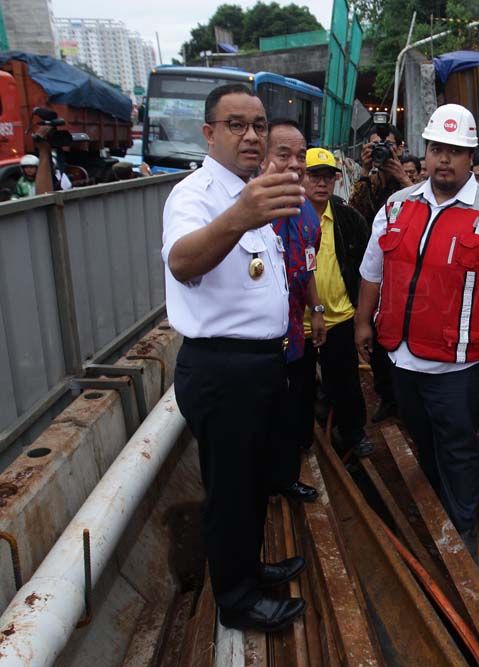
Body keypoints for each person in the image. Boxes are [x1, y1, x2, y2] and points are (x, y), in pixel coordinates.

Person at [354, 103, 479, 550]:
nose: (444, 159)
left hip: (459, 367)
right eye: (436, 148)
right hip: (402, 356)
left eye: (455, 150)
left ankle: (460, 527)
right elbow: (373, 271)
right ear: (424, 152)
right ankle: (437, 500)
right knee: (421, 435)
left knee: (458, 445)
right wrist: (363, 322)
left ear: (470, 156)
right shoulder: (397, 206)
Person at [163, 83, 307, 632]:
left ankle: (249, 569)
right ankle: (236, 600)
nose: (251, 135)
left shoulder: (252, 189)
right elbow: (182, 262)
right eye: (236, 125)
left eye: (258, 125)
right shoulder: (197, 195)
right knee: (228, 490)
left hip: (261, 366)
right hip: (222, 369)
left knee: (252, 483)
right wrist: (238, 217)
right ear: (209, 133)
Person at [296, 146, 375, 458]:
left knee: (345, 383)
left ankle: (354, 434)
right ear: (301, 177)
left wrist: (362, 317)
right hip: (298, 324)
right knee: (299, 388)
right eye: (314, 175)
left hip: (340, 317)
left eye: (328, 176)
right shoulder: (287, 218)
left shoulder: (347, 220)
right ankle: (301, 440)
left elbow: (367, 266)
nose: (321, 183)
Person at [264, 118, 324, 503]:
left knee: (294, 410)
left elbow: (309, 265)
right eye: (283, 153)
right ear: (264, 157)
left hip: (295, 335)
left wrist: (317, 309)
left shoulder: (308, 216)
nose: (294, 163)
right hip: (259, 343)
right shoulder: (251, 209)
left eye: (299, 155)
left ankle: (285, 478)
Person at [350, 124, 412, 423]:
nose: (381, 151)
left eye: (386, 145)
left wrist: (400, 175)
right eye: (374, 146)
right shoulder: (370, 184)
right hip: (373, 273)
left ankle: (408, 401)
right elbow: (354, 213)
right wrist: (365, 172)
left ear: (399, 148)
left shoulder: (410, 183)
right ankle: (387, 397)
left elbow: (422, 206)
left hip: (405, 274)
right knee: (376, 343)